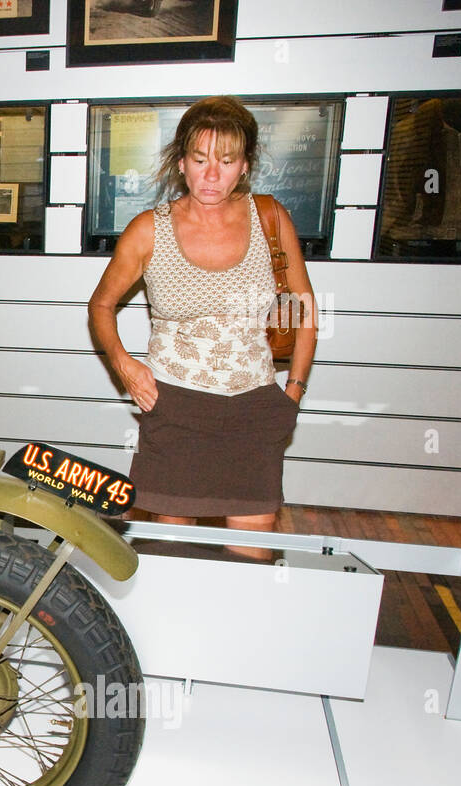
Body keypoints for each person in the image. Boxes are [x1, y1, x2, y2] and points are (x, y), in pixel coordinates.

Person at [88, 96, 316, 539]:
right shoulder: (147, 229)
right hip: (176, 408)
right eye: (199, 159)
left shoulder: (270, 217)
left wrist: (293, 393)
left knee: (252, 554)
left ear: (245, 165)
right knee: (174, 552)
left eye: (227, 161)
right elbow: (100, 306)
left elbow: (302, 308)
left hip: (255, 408)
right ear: (181, 163)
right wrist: (125, 366)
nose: (212, 175)